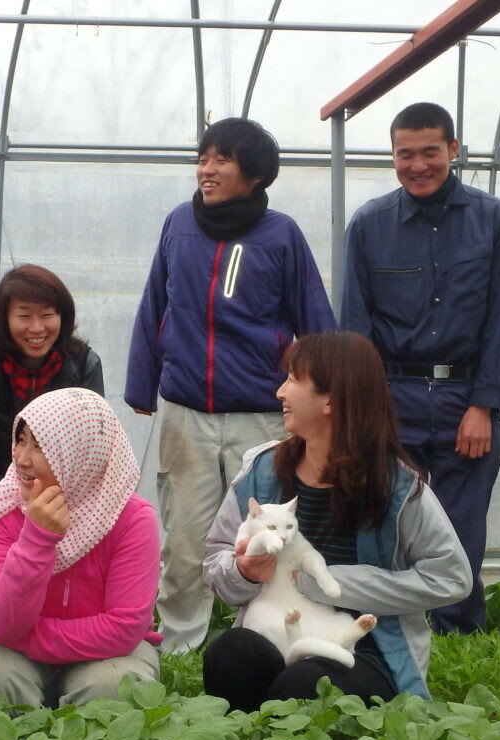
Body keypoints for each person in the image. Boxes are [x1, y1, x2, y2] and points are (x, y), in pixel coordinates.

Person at [125, 116, 335, 652]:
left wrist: (326, 394)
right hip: (186, 409)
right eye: (203, 158)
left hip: (263, 414)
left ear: (257, 175)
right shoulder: (179, 224)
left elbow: (312, 317)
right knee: (186, 536)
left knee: (269, 533)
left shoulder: (281, 235)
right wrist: (142, 383)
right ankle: (180, 642)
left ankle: (270, 635)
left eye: (221, 160)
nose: (207, 169)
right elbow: (156, 303)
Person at [203, 332, 471, 710]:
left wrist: (334, 584)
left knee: (306, 683)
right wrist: (243, 572)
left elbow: (452, 578)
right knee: (229, 655)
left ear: (331, 399)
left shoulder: (397, 487)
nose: (280, 391)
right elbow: (215, 560)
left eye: (294, 379)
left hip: (363, 650)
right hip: (277, 633)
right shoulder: (261, 471)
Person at [340, 101, 500, 635]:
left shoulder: (492, 219)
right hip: (391, 394)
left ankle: (459, 632)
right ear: (393, 155)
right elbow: (355, 327)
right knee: (387, 518)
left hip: (465, 394)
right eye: (405, 154)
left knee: (461, 524)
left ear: (454, 151)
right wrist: (365, 414)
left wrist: (484, 405)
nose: (417, 165)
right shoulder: (370, 224)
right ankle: (388, 629)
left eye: (430, 152)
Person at [0, 388, 163, 707]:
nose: (22, 458)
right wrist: (36, 539)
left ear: (82, 454)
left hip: (105, 653)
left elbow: (123, 628)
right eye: (21, 441)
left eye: (40, 446)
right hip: (14, 648)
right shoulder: (2, 510)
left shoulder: (131, 518)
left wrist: (30, 639)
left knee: (113, 687)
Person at [0, 264, 104, 520]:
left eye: (47, 315)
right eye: (24, 316)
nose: (36, 328)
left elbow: (92, 446)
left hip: (65, 506)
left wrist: (54, 505)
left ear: (62, 316)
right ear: (4, 319)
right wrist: (8, 503)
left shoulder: (84, 366)